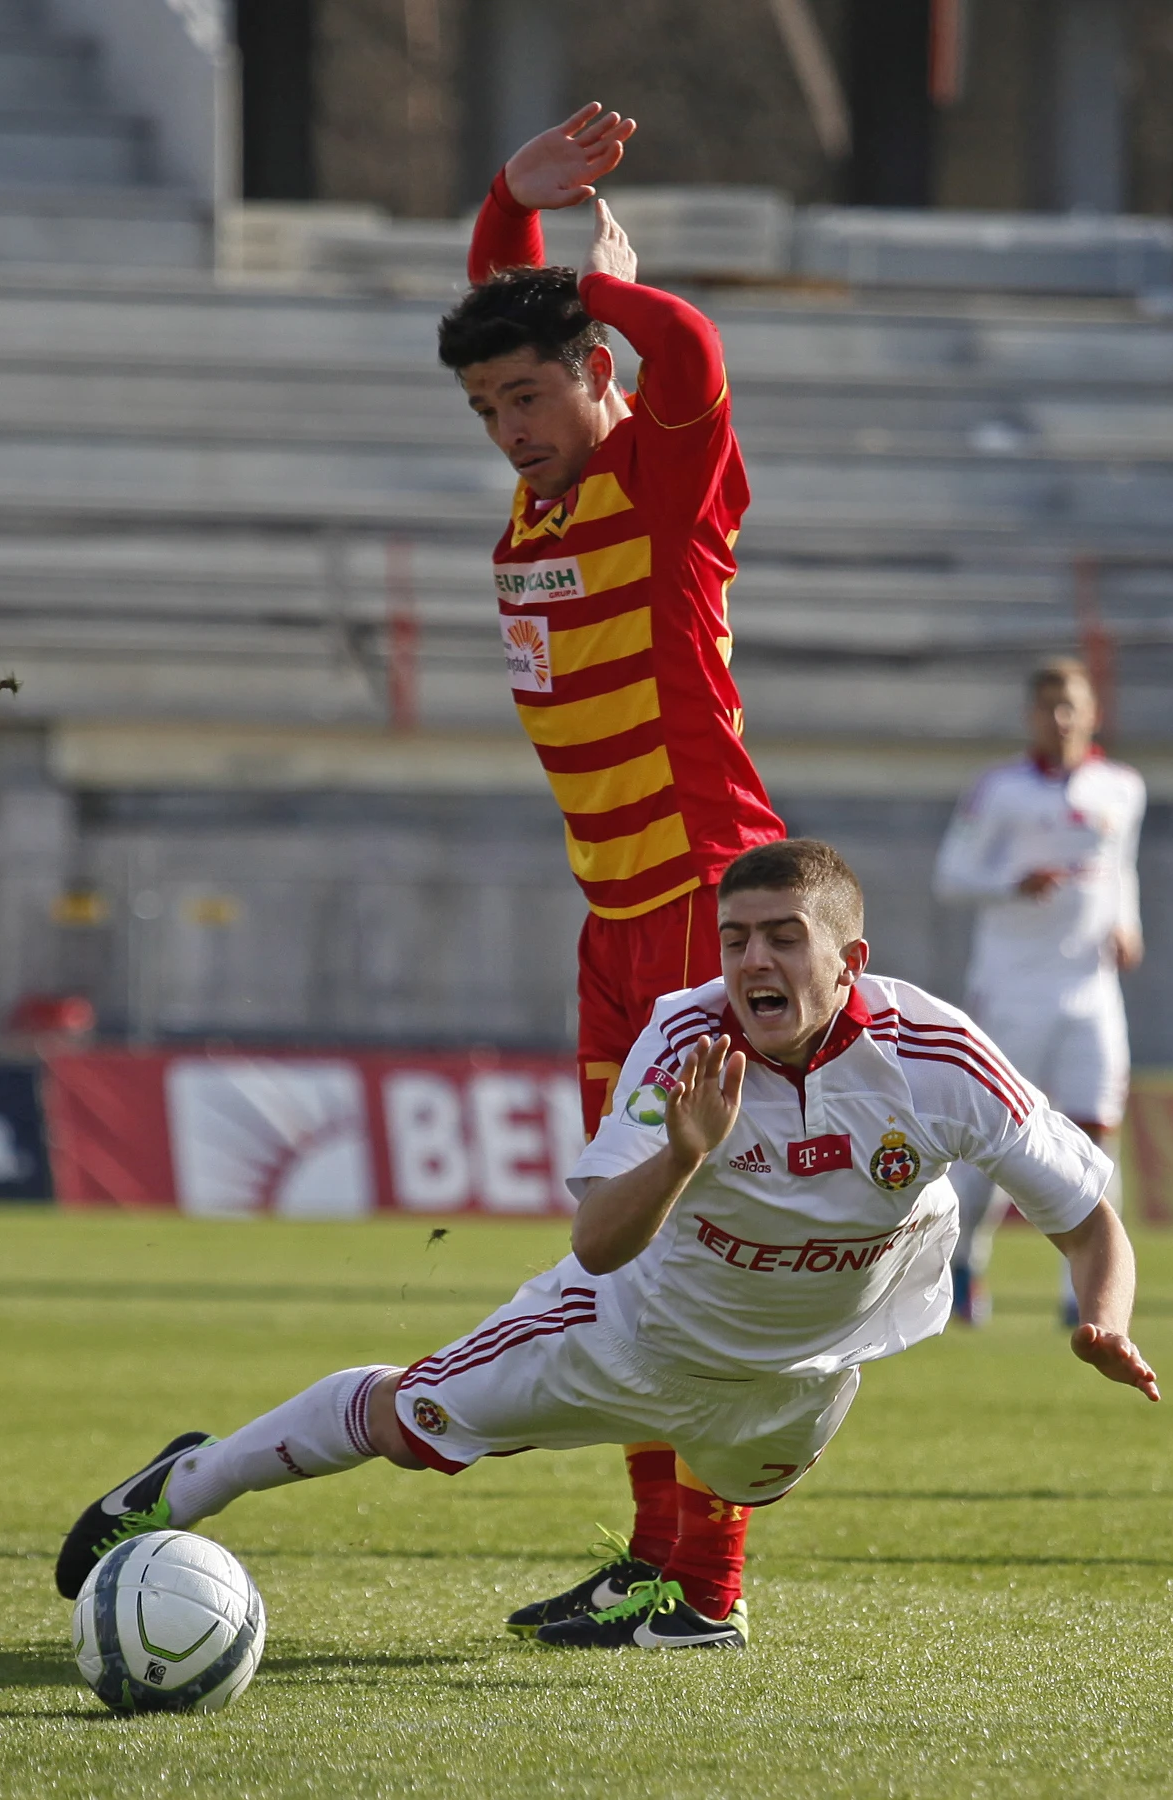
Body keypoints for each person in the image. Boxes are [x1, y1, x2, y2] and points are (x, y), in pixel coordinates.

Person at [56, 840, 1158, 1652]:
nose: (751, 961)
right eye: (735, 939)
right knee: (406, 1427)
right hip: (626, 1331)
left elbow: (1085, 1222)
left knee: (726, 1517)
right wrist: (683, 1155)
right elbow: (596, 1243)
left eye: (782, 937)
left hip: (802, 1377)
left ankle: (687, 1610)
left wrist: (1102, 1315)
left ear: (848, 959)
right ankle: (188, 1484)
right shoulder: (684, 1038)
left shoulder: (940, 1060)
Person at [435, 103, 785, 1629]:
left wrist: (606, 296)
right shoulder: (547, 494)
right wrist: (508, 209)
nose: (508, 427)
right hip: (615, 928)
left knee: (696, 1254)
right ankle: (662, 1560)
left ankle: (704, 1581)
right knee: (632, 1256)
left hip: (716, 918)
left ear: (597, 376)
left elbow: (694, 358)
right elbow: (510, 315)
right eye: (485, 409)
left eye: (531, 393)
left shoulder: (659, 475)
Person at [933, 659, 1146, 1326]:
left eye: (1070, 707)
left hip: (1092, 989)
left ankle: (1080, 1294)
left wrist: (1127, 925)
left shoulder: (1122, 787)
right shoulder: (998, 791)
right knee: (1001, 1139)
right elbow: (952, 874)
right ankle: (966, 1258)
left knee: (1093, 1135)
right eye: (1047, 708)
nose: (1059, 720)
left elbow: (1121, 869)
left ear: (1092, 713)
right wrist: (1011, 882)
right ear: (1031, 717)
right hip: (1012, 990)